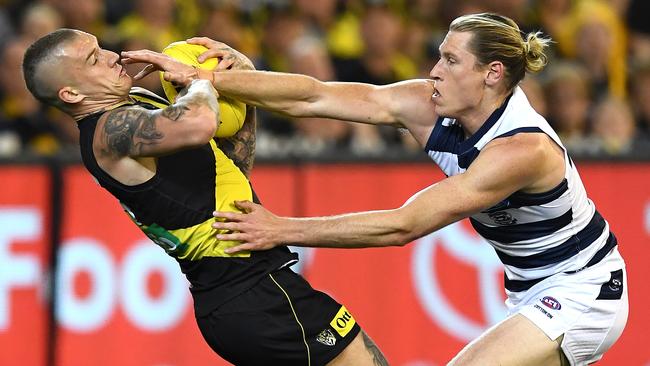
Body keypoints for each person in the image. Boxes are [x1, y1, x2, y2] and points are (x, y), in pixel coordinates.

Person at [122, 12, 629, 366]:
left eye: (451, 61)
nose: (434, 70)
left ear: (491, 74)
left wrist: (280, 228)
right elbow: (314, 97)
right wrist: (210, 78)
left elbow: (403, 224)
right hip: (530, 289)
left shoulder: (523, 150)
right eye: (438, 56)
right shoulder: (429, 103)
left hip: (585, 292)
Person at [22, 28, 388, 366]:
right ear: (71, 93)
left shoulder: (132, 103)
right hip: (250, 293)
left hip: (249, 292)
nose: (112, 56)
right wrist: (202, 81)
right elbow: (199, 123)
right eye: (93, 59)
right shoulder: (109, 133)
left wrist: (242, 85)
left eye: (101, 47)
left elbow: (231, 166)